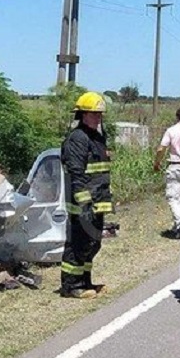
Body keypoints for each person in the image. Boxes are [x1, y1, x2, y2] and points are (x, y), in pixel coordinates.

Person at [60, 91, 113, 299]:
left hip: (98, 201)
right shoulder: (77, 138)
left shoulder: (97, 137)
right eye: (93, 114)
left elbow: (99, 172)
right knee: (78, 244)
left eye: (100, 114)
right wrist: (84, 203)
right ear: (82, 114)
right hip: (83, 203)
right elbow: (76, 174)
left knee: (92, 243)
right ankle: (71, 286)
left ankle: (85, 281)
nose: (98, 118)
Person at [153, 106, 180, 239]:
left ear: (177, 117)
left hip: (175, 166)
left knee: (174, 198)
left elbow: (161, 148)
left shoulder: (172, 130)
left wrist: (157, 163)